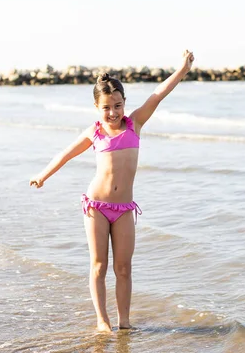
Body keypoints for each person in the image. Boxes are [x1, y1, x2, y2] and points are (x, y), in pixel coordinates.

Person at [29, 50, 195, 332]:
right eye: (107, 107)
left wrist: (182, 70)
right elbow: (65, 154)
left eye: (117, 106)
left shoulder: (135, 124)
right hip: (96, 207)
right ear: (97, 107)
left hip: (124, 210)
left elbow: (157, 95)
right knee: (98, 265)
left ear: (124, 103)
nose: (113, 113)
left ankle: (124, 321)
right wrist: (43, 175)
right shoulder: (94, 132)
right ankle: (102, 321)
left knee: (124, 269)